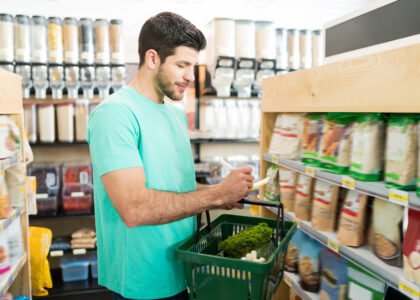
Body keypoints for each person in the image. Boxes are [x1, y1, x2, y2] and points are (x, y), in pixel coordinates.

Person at [87, 12, 254, 300]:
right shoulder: (115, 114)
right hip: (143, 281)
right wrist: (215, 197)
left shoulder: (175, 115)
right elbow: (134, 208)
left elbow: (177, 188)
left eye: (193, 66)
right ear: (153, 59)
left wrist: (222, 192)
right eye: (182, 65)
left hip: (184, 269)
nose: (191, 76)